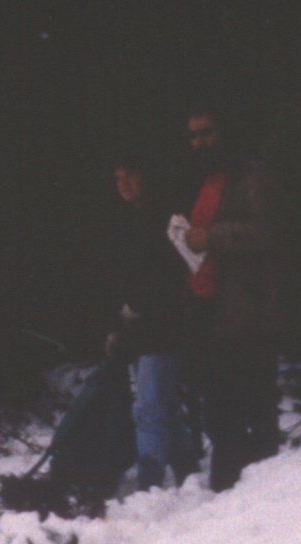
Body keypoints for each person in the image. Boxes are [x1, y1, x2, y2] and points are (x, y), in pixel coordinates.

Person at [180, 105, 281, 490]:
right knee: (220, 407)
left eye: (206, 132)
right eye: (192, 136)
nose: (199, 142)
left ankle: (262, 489)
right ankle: (226, 491)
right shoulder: (204, 178)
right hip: (212, 308)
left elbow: (268, 230)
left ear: (224, 133)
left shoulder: (250, 175)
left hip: (248, 309)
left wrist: (212, 237)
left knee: (253, 402)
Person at [106, 150, 194, 489]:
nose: (124, 183)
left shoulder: (168, 216)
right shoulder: (126, 220)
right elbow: (122, 278)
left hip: (165, 325)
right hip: (138, 328)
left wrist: (142, 305)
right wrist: (119, 322)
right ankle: (186, 466)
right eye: (117, 177)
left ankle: (151, 477)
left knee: (149, 405)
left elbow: (177, 270)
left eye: (129, 174)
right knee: (161, 404)